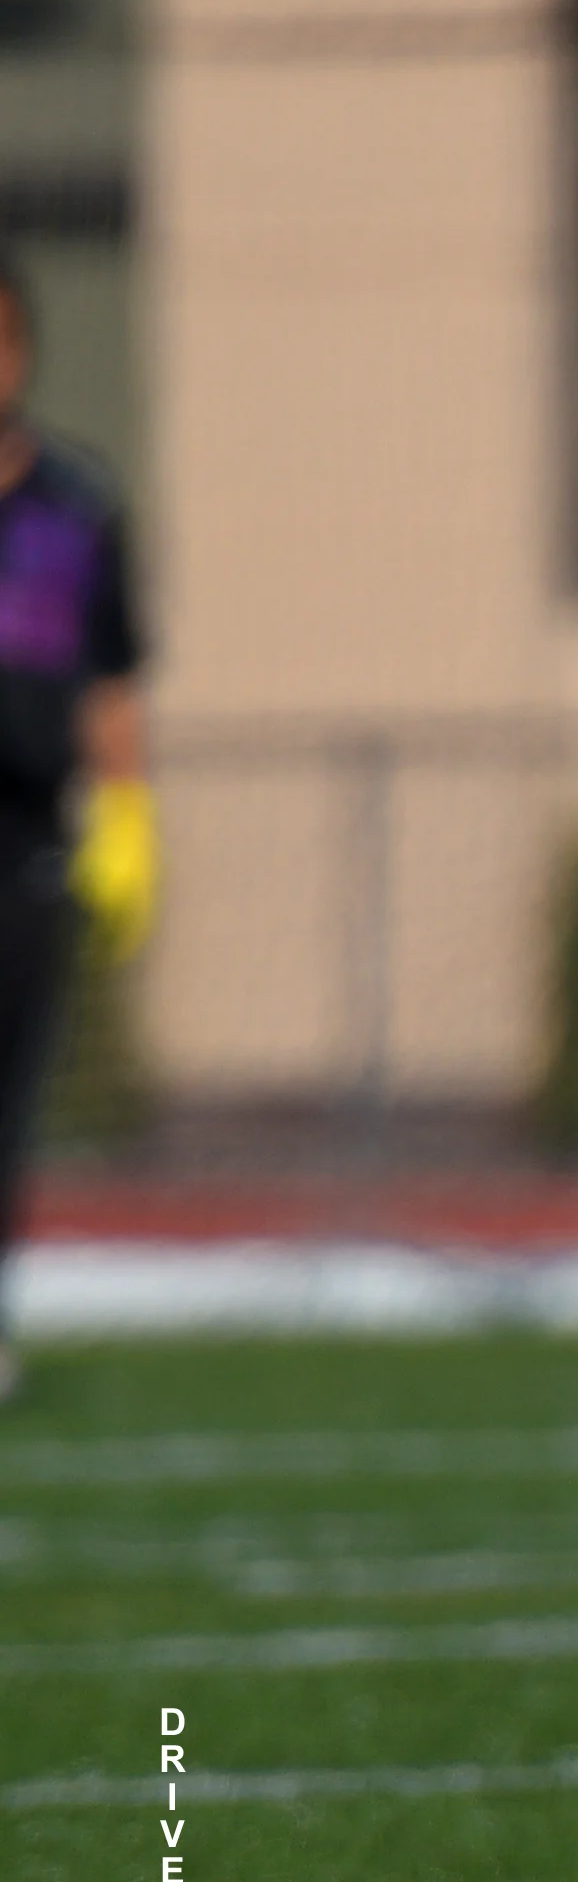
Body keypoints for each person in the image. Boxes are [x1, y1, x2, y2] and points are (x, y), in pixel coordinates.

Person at [0, 255, 157, 1401]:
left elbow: (110, 682)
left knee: (10, 1101)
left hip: (27, 847)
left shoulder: (77, 505)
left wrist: (127, 818)